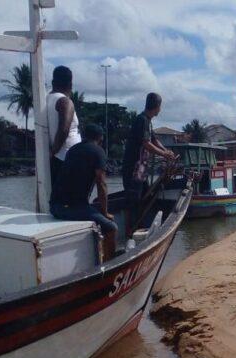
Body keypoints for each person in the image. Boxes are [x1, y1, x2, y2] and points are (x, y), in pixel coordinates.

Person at [50, 124, 117, 260]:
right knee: (112, 228)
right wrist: (105, 213)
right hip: (72, 209)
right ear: (101, 138)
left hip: (55, 206)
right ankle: (111, 262)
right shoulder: (98, 152)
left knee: (92, 211)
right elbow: (101, 183)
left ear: (84, 136)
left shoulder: (72, 150)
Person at [122, 93, 177, 236]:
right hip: (133, 170)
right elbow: (146, 144)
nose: (160, 110)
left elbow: (153, 139)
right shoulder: (142, 120)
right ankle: (130, 232)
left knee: (145, 198)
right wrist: (164, 154)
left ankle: (141, 230)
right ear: (157, 106)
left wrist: (166, 151)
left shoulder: (147, 120)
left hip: (141, 170)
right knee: (133, 202)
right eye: (160, 107)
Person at [46, 66, 81, 190]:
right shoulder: (65, 102)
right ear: (70, 84)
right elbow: (64, 130)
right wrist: (53, 152)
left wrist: (51, 153)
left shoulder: (46, 99)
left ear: (53, 82)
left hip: (57, 157)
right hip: (68, 157)